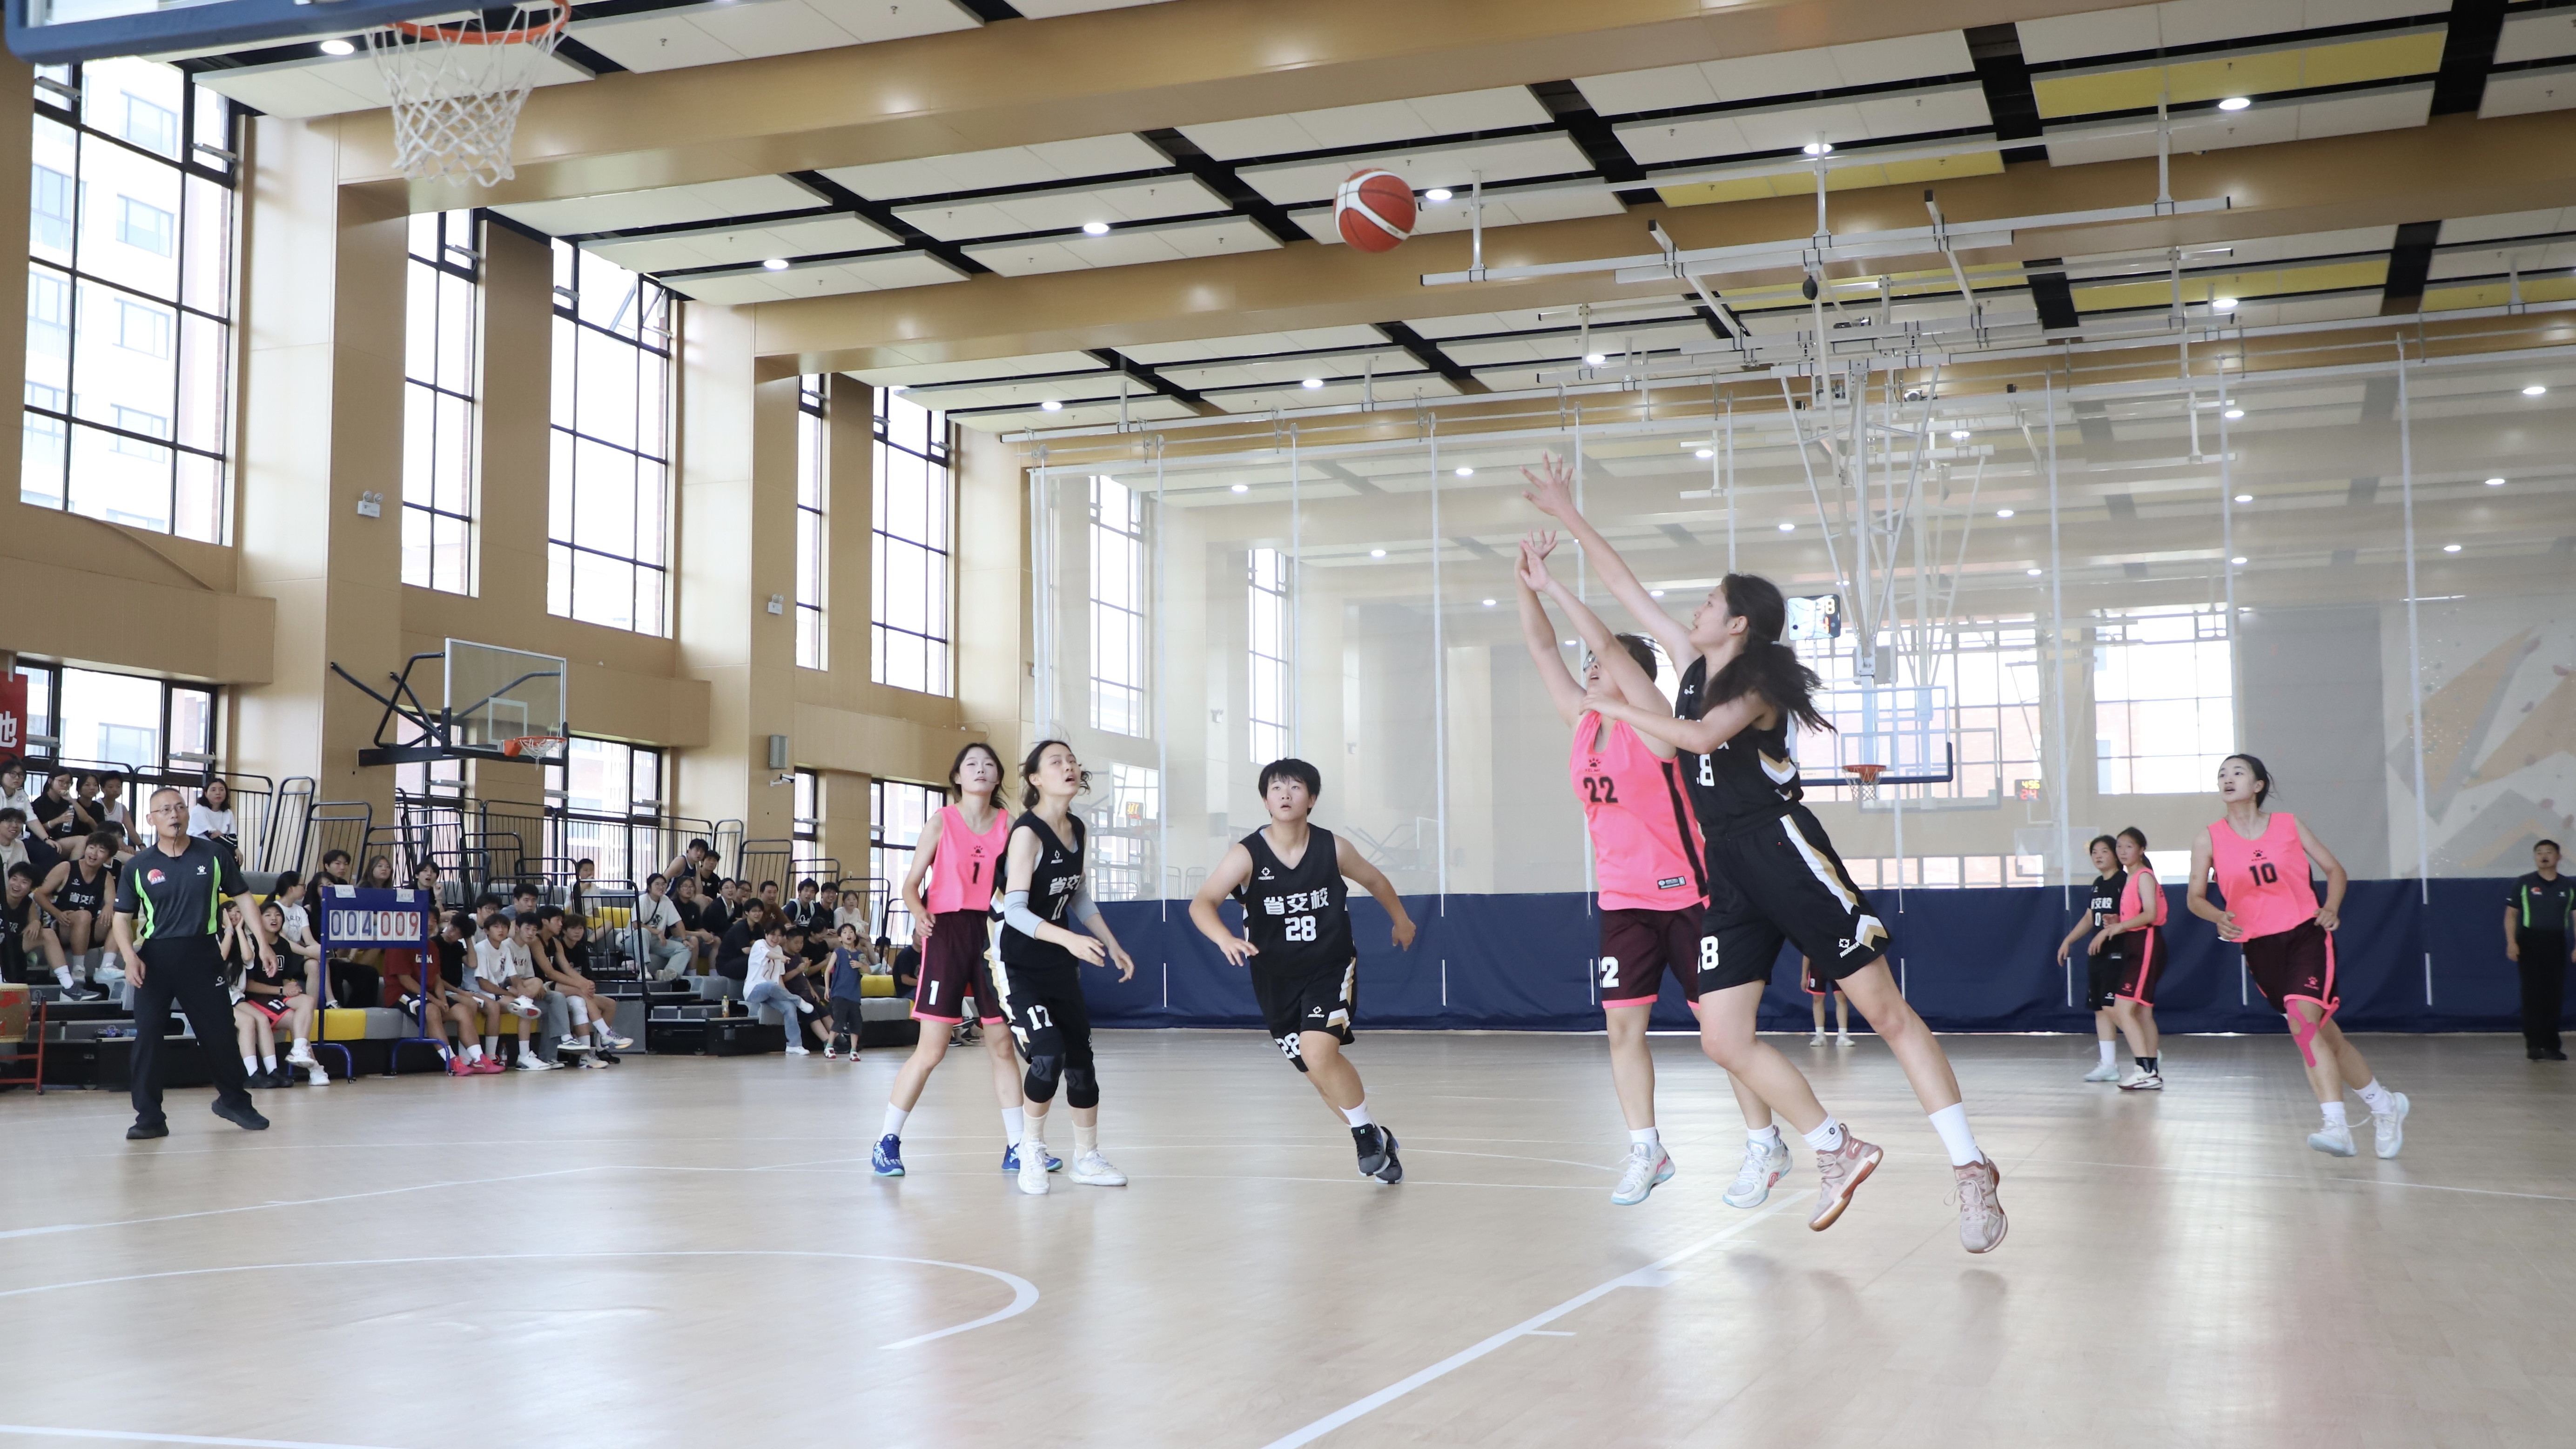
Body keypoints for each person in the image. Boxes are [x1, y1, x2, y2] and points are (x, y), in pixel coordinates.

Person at [1526, 454, 2008, 1252]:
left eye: (1711, 601)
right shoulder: (1690, 664)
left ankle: (1968, 1166)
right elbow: (1621, 595)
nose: (1696, 606)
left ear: (1738, 623)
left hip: (1784, 849)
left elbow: (1697, 738)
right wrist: (1564, 531)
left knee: (1885, 1013)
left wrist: (1609, 703)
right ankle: (1833, 1146)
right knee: (1721, 1037)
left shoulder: (1752, 688)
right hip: (1728, 867)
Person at [1514, 537, 1776, 1205]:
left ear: (1632, 674)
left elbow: (1605, 645)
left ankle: (1763, 1143)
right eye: (1589, 667)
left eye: (1601, 666)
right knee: (1621, 1028)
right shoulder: (1584, 724)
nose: (1590, 671)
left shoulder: (1658, 726)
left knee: (1723, 1035)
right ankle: (1646, 1148)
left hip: (1690, 896)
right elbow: (1542, 649)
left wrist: (1560, 591)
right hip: (1623, 900)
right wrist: (1525, 583)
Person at [1190, 757, 1419, 1186]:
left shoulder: (1332, 847)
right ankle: (1375, 1136)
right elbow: (1201, 903)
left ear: (1311, 798)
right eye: (1276, 788)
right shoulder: (1247, 854)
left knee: (1319, 1052)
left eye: (1295, 787)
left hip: (1329, 965)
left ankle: (1365, 1136)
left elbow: (1375, 880)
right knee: (1319, 1076)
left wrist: (1401, 920)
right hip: (1274, 978)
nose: (1285, 794)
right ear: (1265, 800)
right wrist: (1223, 937)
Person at [2187, 754, 2409, 1157]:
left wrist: (2331, 907)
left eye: (2237, 772)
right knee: (2326, 1038)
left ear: (2258, 785)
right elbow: (2194, 898)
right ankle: (2385, 1105)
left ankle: (2335, 1126)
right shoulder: (2209, 838)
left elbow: (2334, 870)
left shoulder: (2288, 825)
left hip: (2305, 935)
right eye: (2221, 773)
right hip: (2259, 947)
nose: (2227, 778)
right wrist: (2218, 916)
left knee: (2301, 1024)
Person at [874, 741, 1058, 1179]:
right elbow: (911, 885)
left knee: (1002, 1045)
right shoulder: (941, 821)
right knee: (932, 1049)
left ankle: (1018, 1145)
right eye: (971, 764)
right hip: (947, 932)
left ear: (998, 777)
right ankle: (886, 1141)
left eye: (988, 764)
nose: (980, 769)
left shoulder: (1011, 826)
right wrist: (918, 912)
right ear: (957, 776)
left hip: (994, 933)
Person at [993, 739, 1137, 1195]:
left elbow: (1077, 894)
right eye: (1056, 761)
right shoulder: (1027, 833)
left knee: (1081, 1062)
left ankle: (1086, 1157)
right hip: (1019, 964)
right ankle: (1030, 1150)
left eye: (1072, 759)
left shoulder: (1077, 827)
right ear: (1036, 779)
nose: (1069, 766)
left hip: (1058, 962)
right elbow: (1015, 910)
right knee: (1048, 1054)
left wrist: (1112, 942)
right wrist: (1071, 939)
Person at [109, 787, 270, 1139]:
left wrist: (263, 944)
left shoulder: (214, 854)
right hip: (154, 959)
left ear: (187, 813)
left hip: (202, 955)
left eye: (180, 807)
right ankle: (150, 1117)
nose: (174, 814)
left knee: (220, 1033)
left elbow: (244, 898)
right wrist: (130, 957)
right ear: (151, 820)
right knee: (149, 1037)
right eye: (165, 809)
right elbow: (122, 918)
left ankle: (234, 1102)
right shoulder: (138, 866)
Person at [2057, 836, 2134, 1084]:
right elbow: (2090, 917)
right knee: (2100, 1009)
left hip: (2119, 953)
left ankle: (2147, 1052)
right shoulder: (2098, 884)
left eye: (2104, 851)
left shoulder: (2125, 881)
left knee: (2114, 1008)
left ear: (2116, 854)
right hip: (2098, 954)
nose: (2098, 856)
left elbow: (2136, 915)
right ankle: (2108, 1065)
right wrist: (2069, 940)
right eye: (2094, 852)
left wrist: (2117, 925)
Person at [228, 899, 321, 1087]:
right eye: (268, 915)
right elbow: (248, 985)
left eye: (278, 915)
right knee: (296, 1020)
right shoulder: (251, 943)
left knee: (308, 1001)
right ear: (257, 919)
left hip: (277, 995)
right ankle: (315, 1069)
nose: (274, 918)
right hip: (257, 997)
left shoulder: (284, 946)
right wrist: (282, 990)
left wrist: (291, 988)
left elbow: (284, 979)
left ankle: (300, 1051)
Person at [2105, 828, 2168, 1089]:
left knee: (2123, 1009)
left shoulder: (2143, 876)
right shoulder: (2131, 878)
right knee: (2142, 1012)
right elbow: (2138, 913)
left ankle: (2144, 1071)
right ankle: (2150, 1071)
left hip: (2146, 943)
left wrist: (2121, 926)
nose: (2122, 851)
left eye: (2129, 846)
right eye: (2119, 847)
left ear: (2141, 850)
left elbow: (2150, 914)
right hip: (2137, 943)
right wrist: (2119, 921)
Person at [2507, 839, 2573, 1061]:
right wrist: (2512, 942)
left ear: (2558, 857)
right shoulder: (2525, 883)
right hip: (2530, 942)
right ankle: (2534, 1044)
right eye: (2539, 853)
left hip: (2556, 942)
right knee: (2532, 993)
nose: (2544, 856)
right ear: (2535, 857)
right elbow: (2511, 915)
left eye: (2549, 852)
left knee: (2553, 994)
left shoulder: (2568, 886)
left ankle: (2552, 1046)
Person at [32, 831, 117, 1000]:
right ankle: (79, 970)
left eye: (101, 851)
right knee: (84, 915)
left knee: (120, 918)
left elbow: (112, 901)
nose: (94, 853)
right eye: (91, 847)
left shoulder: (106, 876)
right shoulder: (67, 868)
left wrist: (109, 907)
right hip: (63, 925)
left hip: (87, 929)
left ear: (108, 858)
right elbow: (39, 894)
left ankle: (107, 966)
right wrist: (57, 913)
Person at [469, 914, 552, 1071]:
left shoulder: (505, 949)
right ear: (487, 931)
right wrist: (512, 995)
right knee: (517, 1008)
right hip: (478, 992)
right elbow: (483, 984)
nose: (501, 930)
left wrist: (522, 994)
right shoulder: (481, 949)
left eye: (504, 927)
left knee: (526, 1006)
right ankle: (491, 1057)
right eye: (496, 927)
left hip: (498, 992)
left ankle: (525, 1057)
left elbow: (514, 977)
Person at [743, 919, 817, 1055]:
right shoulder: (760, 944)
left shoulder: (779, 950)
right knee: (771, 986)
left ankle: (794, 1045)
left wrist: (786, 995)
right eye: (773, 935)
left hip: (772, 992)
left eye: (779, 936)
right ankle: (798, 1000)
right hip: (754, 990)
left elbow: (778, 978)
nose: (776, 938)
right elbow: (768, 954)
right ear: (766, 934)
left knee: (789, 1007)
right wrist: (780, 958)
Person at [3, 861, 68, 987]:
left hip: (9, 950)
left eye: (24, 882)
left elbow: (34, 921)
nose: (17, 885)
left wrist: (36, 922)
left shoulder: (29, 904)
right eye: (14, 879)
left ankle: (68, 986)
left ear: (32, 888)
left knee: (48, 934)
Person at [633, 873, 692, 980]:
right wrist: (658, 932)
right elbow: (636, 925)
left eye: (663, 884)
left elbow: (678, 922)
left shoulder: (666, 901)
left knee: (685, 949)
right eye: (657, 884)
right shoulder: (642, 900)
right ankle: (643, 971)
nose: (661, 887)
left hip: (655, 941)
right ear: (649, 887)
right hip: (634, 940)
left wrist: (684, 940)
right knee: (644, 932)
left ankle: (667, 975)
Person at [827, 924, 869, 1060]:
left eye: (851, 932)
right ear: (840, 938)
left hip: (854, 995)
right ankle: (829, 1046)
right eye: (844, 933)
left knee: (856, 1022)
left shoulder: (860, 955)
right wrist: (827, 988)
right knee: (839, 1021)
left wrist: (860, 965)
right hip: (839, 993)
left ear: (855, 936)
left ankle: (853, 1050)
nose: (848, 934)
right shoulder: (838, 952)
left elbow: (869, 971)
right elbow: (828, 971)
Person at [1803, 957, 1850, 1047]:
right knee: (1817, 999)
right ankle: (1820, 1035)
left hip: (1837, 964)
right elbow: (1807, 953)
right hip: (1817, 964)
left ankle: (1843, 1036)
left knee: (1841, 998)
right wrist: (1804, 975)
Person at [188, 778, 239, 856]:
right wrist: (234, 848)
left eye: (222, 790)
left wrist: (223, 835)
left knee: (237, 857)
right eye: (213, 790)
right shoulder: (198, 811)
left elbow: (234, 839)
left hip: (220, 850)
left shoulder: (228, 813)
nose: (218, 793)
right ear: (206, 794)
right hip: (199, 850)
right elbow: (212, 836)